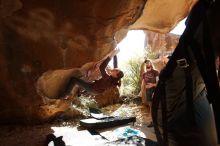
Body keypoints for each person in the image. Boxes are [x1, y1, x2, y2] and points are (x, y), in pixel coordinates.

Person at [59, 48, 124, 97]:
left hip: (92, 88)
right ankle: (81, 93)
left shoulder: (107, 79)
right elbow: (116, 65)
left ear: (116, 75)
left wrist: (110, 56)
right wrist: (115, 54)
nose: (115, 69)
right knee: (85, 81)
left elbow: (102, 67)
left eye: (116, 70)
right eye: (117, 69)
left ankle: (65, 95)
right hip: (96, 90)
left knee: (74, 80)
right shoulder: (114, 79)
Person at [142, 59, 159, 127]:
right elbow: (143, 84)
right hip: (148, 92)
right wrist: (142, 92)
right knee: (151, 107)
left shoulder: (155, 72)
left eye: (148, 62)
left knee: (156, 106)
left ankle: (158, 121)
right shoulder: (144, 74)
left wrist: (152, 85)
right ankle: (152, 121)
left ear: (151, 63)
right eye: (146, 63)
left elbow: (158, 82)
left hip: (155, 91)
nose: (147, 63)